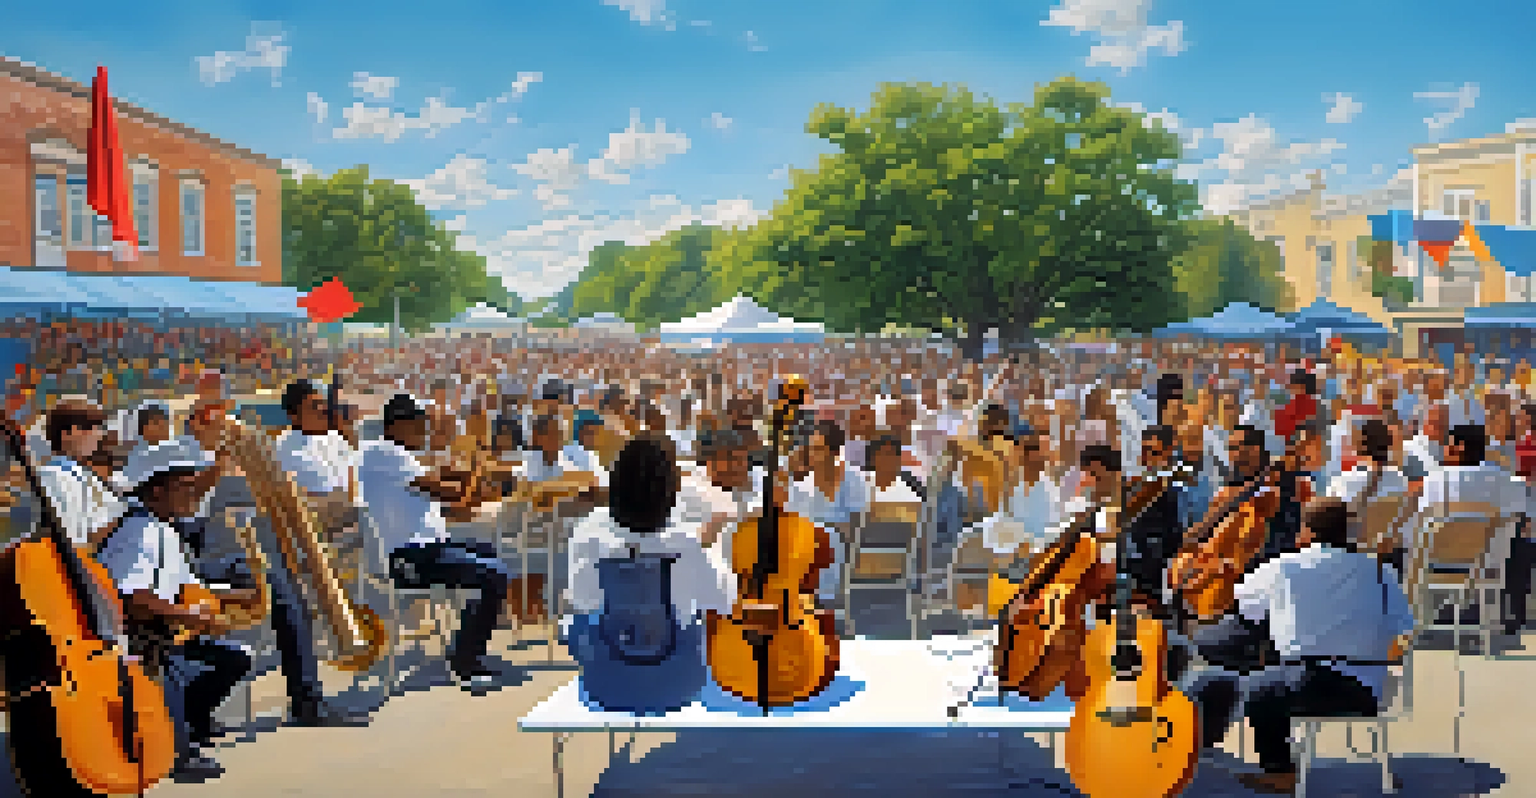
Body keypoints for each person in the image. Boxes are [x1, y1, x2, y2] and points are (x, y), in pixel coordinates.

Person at [1189, 497, 1414, 794]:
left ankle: (1279, 771)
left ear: (1305, 531)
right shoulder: (1379, 572)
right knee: (1270, 680)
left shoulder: (1282, 567)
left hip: (1303, 685)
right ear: (1349, 532)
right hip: (1367, 690)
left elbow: (1246, 614)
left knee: (1251, 685)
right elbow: (1404, 630)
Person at [95, 438, 257, 782]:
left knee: (236, 657)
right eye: (184, 487)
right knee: (170, 676)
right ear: (155, 492)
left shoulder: (163, 529)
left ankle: (193, 722)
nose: (193, 494)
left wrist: (243, 597)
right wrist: (189, 618)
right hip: (140, 643)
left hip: (167, 630)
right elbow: (131, 596)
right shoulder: (140, 531)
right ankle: (177, 750)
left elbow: (183, 586)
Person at [563, 433, 733, 714]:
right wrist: (710, 549)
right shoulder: (685, 542)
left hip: (605, 682)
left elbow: (581, 600)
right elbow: (724, 600)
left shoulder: (588, 533)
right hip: (678, 683)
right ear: (670, 490)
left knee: (576, 622)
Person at [357, 394, 512, 694]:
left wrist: (467, 475)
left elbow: (440, 484)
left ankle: (468, 645)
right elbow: (450, 495)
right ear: (398, 425)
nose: (424, 432)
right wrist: (475, 471)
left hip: (423, 550)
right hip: (411, 559)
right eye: (419, 425)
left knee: (489, 554)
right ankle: (465, 662)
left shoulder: (386, 454)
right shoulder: (388, 453)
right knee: (493, 573)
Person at [251, 380, 367, 726]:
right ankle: (308, 698)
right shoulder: (287, 447)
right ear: (293, 413)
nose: (324, 411)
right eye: (315, 406)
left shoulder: (334, 438)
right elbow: (331, 489)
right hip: (311, 542)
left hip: (346, 529)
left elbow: (354, 476)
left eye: (323, 406)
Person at [1409, 424, 1529, 633]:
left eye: (1448, 445)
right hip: (1488, 565)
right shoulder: (1503, 479)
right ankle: (1509, 617)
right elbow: (1517, 517)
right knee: (1518, 538)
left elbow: (1422, 522)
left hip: (1439, 564)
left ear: (1459, 447)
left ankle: (1418, 622)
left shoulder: (1435, 480)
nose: (1444, 450)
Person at [36, 400, 126, 549]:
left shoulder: (85, 475)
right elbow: (74, 541)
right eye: (90, 428)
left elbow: (114, 509)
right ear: (67, 434)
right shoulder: (53, 478)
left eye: (99, 428)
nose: (98, 435)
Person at [1327, 418, 1411, 572]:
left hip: (1354, 559)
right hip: (1391, 561)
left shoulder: (1343, 482)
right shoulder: (1401, 481)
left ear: (1358, 445)